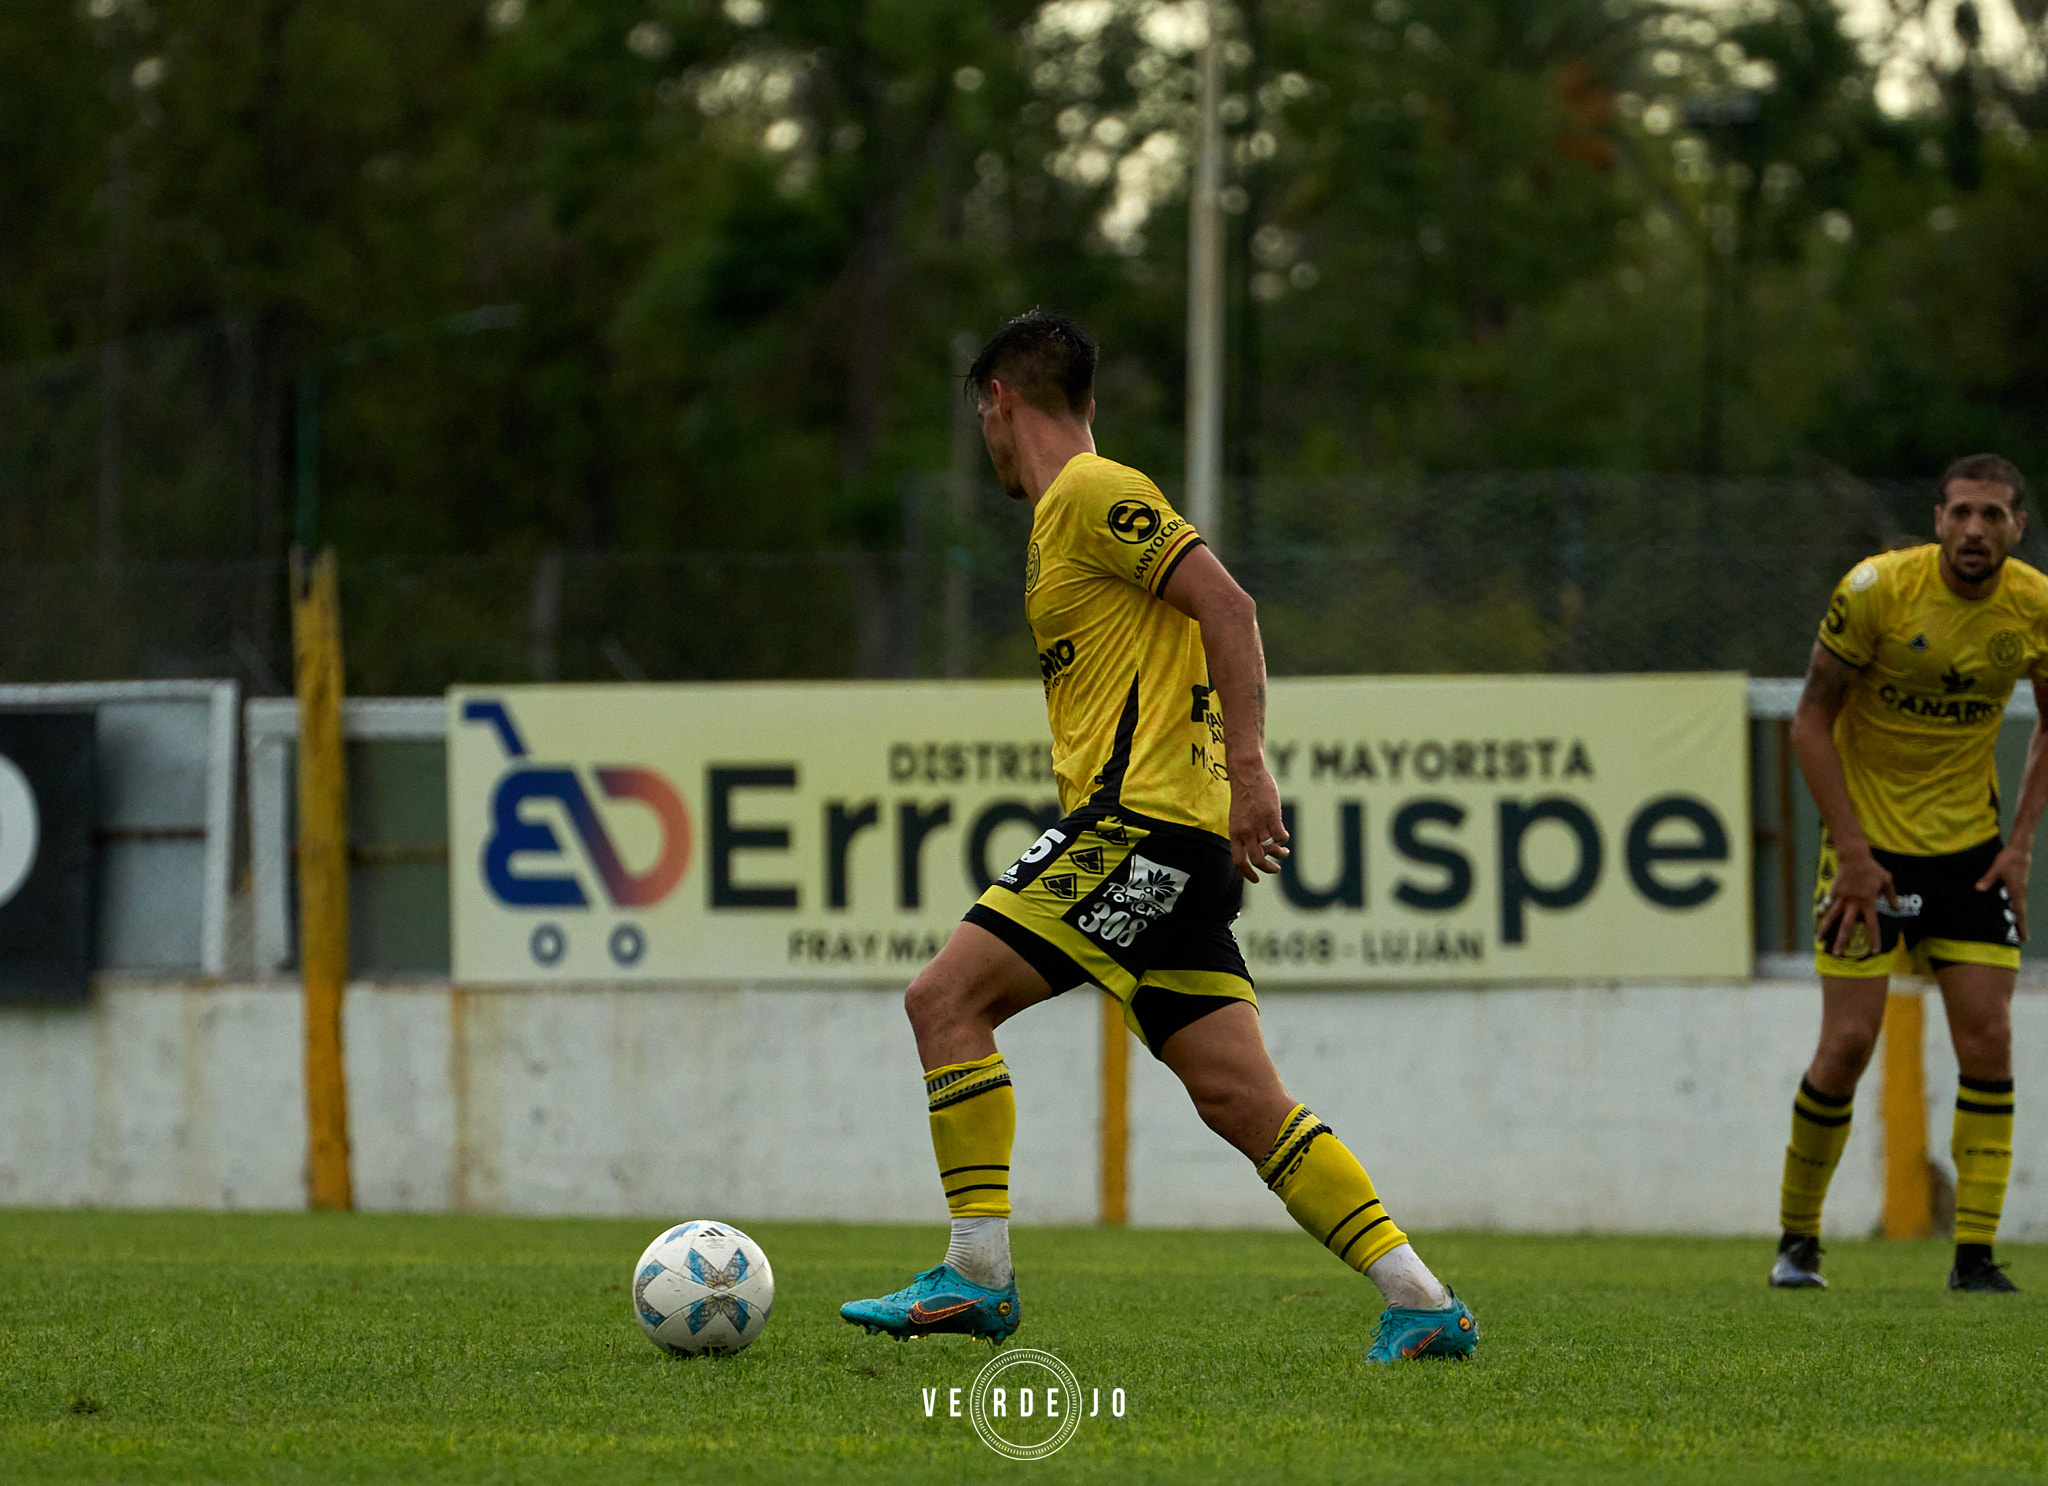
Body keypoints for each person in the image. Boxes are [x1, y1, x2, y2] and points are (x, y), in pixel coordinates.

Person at [839, 310, 1475, 1363]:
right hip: (1179, 854)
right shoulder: (1061, 519)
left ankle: (976, 1273)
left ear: (998, 400)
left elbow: (1227, 604)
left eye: (981, 419)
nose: (985, 443)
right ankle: (1419, 1300)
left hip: (1142, 829)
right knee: (1240, 1098)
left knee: (942, 999)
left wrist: (1251, 772)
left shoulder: (1091, 492)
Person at [1774, 453, 2045, 1293]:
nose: (1975, 530)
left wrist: (2021, 844)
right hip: (1868, 851)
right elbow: (1810, 723)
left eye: (1992, 516)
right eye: (1961, 512)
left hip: (1971, 848)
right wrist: (1853, 855)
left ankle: (1973, 1256)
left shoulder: (2035, 606)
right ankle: (1798, 1241)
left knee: (1991, 1037)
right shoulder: (1875, 591)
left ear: (2017, 527)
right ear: (1937, 521)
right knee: (1849, 1042)